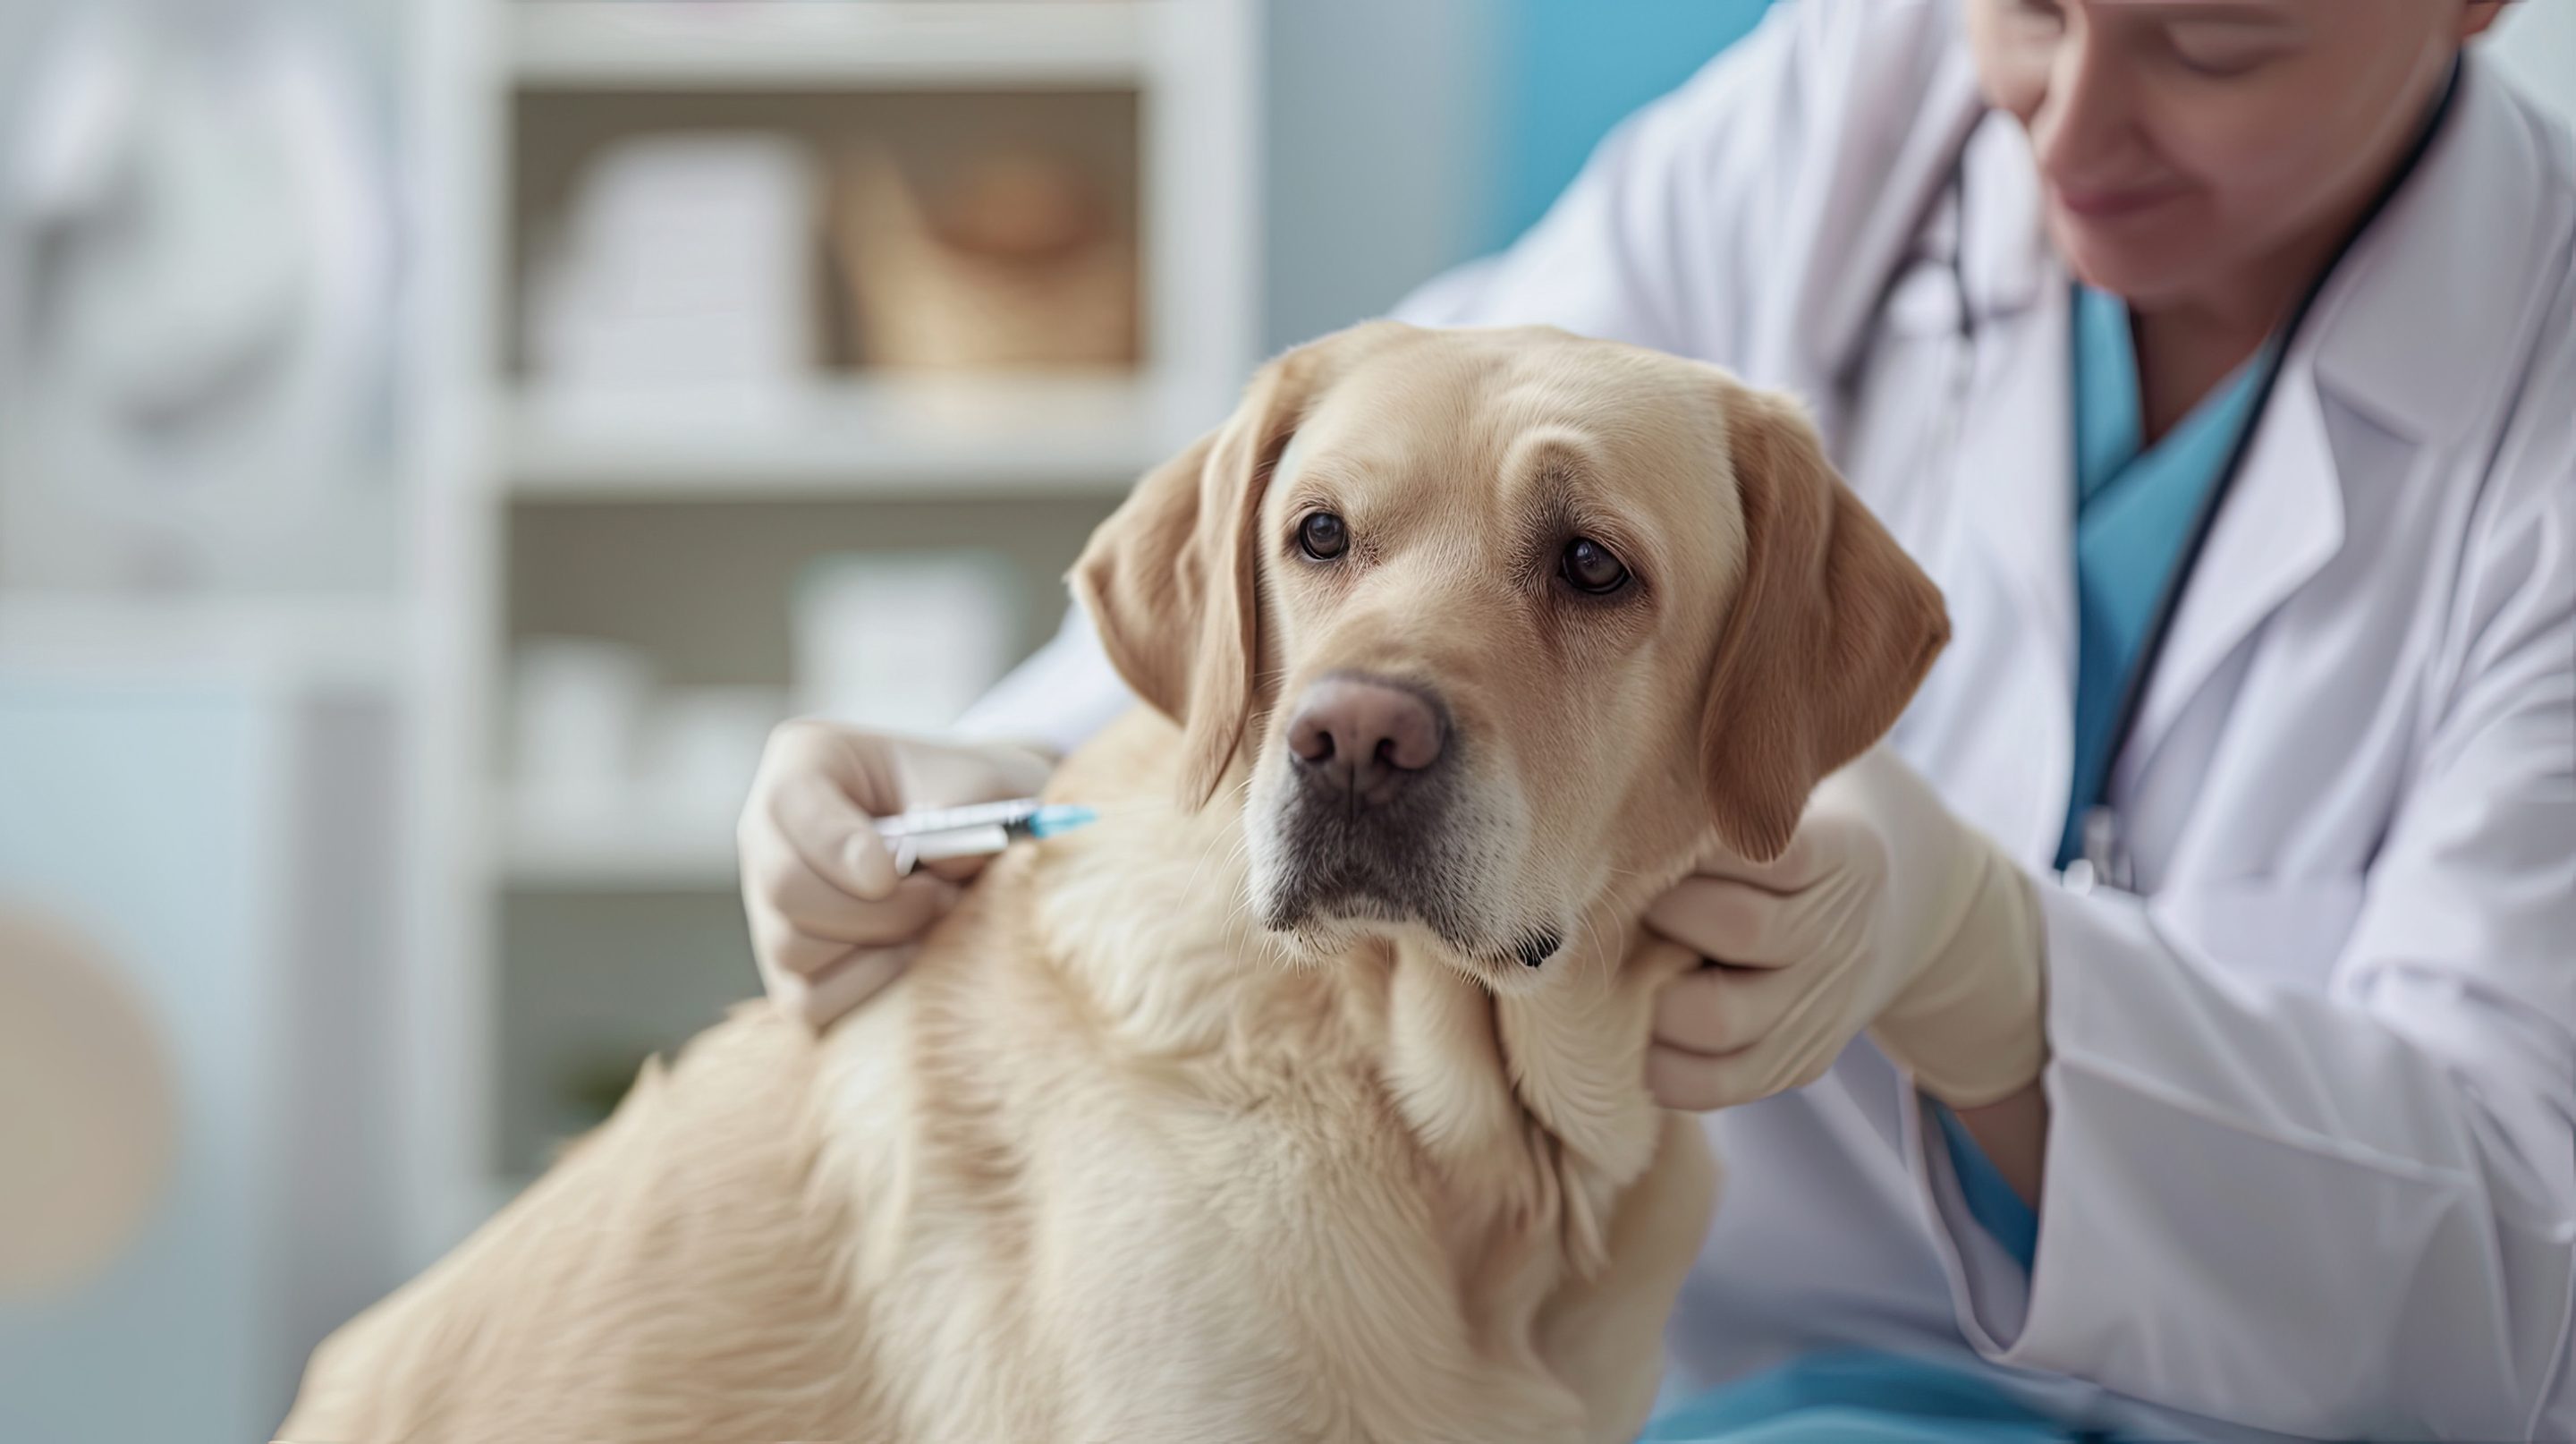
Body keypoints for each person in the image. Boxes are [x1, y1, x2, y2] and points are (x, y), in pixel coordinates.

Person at [733, 2, 2575, 1438]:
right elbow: (1425, 453)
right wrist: (1002, 765)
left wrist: (1993, 973)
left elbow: (2533, 1268)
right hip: (1735, 1383)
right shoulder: (1849, 107)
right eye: (2027, 11)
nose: (2070, 125)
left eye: (2215, 41)